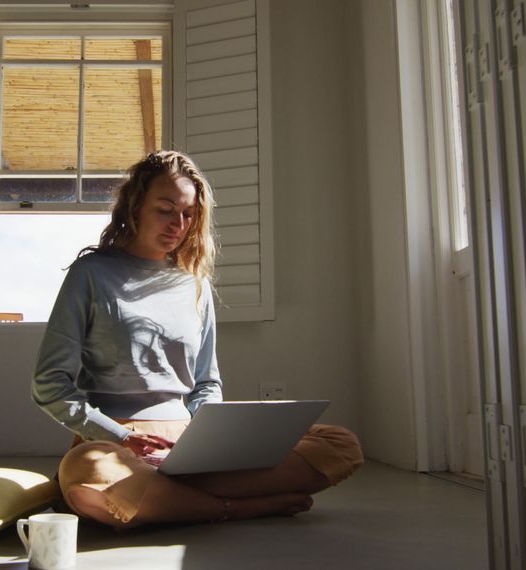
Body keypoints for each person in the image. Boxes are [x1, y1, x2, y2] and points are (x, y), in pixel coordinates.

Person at [31, 150, 363, 529]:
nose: (179, 223)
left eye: (188, 214)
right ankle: (239, 507)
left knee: (340, 444)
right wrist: (120, 437)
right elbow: (49, 384)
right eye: (166, 209)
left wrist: (211, 441)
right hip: (119, 445)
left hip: (189, 447)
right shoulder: (90, 274)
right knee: (89, 472)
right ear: (136, 206)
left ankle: (175, 499)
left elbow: (205, 381)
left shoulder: (195, 283)